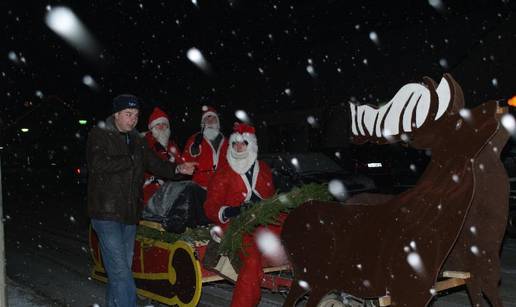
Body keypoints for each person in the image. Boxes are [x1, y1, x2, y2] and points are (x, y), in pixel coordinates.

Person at [87, 94, 196, 307]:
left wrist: (178, 169)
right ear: (116, 114)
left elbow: (155, 164)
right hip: (106, 212)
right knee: (119, 271)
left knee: (121, 270)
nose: (133, 119)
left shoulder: (137, 139)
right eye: (128, 114)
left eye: (136, 115)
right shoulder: (99, 134)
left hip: (129, 214)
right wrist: (129, 159)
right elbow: (97, 164)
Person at [203, 122, 280, 307]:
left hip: (264, 222)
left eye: (243, 143)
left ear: (251, 145)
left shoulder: (263, 169)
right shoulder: (224, 173)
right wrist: (231, 210)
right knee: (252, 261)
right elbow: (210, 207)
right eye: (235, 144)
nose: (238, 147)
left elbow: (271, 197)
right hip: (236, 226)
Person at [182, 106, 229, 189]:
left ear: (217, 122)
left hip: (221, 186)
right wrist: (193, 151)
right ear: (202, 123)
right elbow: (185, 162)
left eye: (213, 119)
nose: (210, 122)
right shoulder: (194, 139)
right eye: (207, 119)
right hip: (199, 185)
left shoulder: (226, 141)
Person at [142, 107, 183, 204]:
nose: (161, 127)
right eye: (158, 125)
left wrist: (182, 168)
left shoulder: (172, 146)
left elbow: (181, 168)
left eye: (164, 124)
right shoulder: (145, 143)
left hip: (169, 190)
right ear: (151, 128)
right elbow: (156, 166)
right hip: (147, 191)